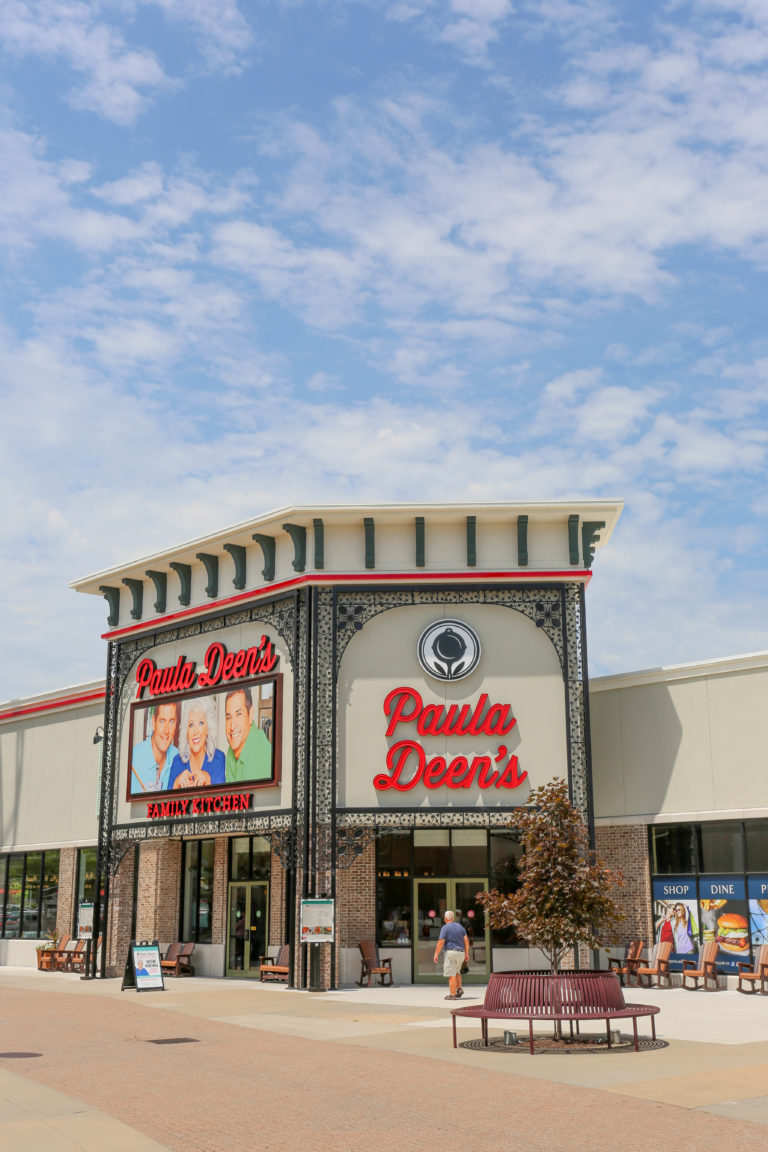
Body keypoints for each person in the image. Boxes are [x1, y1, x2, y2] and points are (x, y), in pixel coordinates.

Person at [167, 696, 225, 789]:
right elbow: (166, 802)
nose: (195, 732)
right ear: (186, 731)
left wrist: (208, 780)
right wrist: (176, 783)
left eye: (201, 723)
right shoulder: (177, 762)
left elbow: (223, 800)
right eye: (191, 725)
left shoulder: (219, 759)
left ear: (208, 729)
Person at [224, 687, 272, 783]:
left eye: (239, 714)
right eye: (229, 717)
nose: (232, 726)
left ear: (250, 714)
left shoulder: (260, 755)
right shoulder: (232, 749)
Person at [131, 702, 179, 793]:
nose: (166, 731)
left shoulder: (178, 757)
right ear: (153, 723)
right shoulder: (134, 758)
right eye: (162, 721)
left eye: (171, 721)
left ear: (175, 724)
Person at [433, 909, 469, 1000]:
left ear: (445, 918)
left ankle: (452, 994)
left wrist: (436, 953)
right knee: (457, 972)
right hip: (461, 953)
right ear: (453, 918)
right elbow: (466, 940)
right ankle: (459, 988)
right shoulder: (460, 927)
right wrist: (467, 953)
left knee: (451, 975)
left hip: (451, 953)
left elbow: (441, 941)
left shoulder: (445, 927)